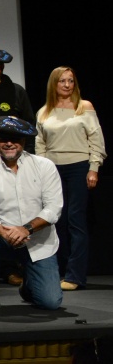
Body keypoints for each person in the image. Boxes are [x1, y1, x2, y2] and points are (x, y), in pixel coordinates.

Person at [0, 116, 63, 312]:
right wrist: (6, 233)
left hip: (38, 242)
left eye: (15, 139)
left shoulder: (44, 166)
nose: (9, 143)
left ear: (24, 141)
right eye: (3, 138)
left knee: (50, 303)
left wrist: (25, 229)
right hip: (3, 238)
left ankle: (29, 284)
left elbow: (53, 209)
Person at [36, 67, 106, 291]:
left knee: (76, 220)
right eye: (62, 81)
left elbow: (96, 139)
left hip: (78, 167)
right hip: (52, 170)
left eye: (71, 81)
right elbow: (40, 146)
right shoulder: (44, 112)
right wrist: (41, 173)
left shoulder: (84, 107)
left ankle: (75, 276)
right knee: (56, 220)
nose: (67, 85)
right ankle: (59, 271)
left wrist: (93, 168)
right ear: (53, 84)